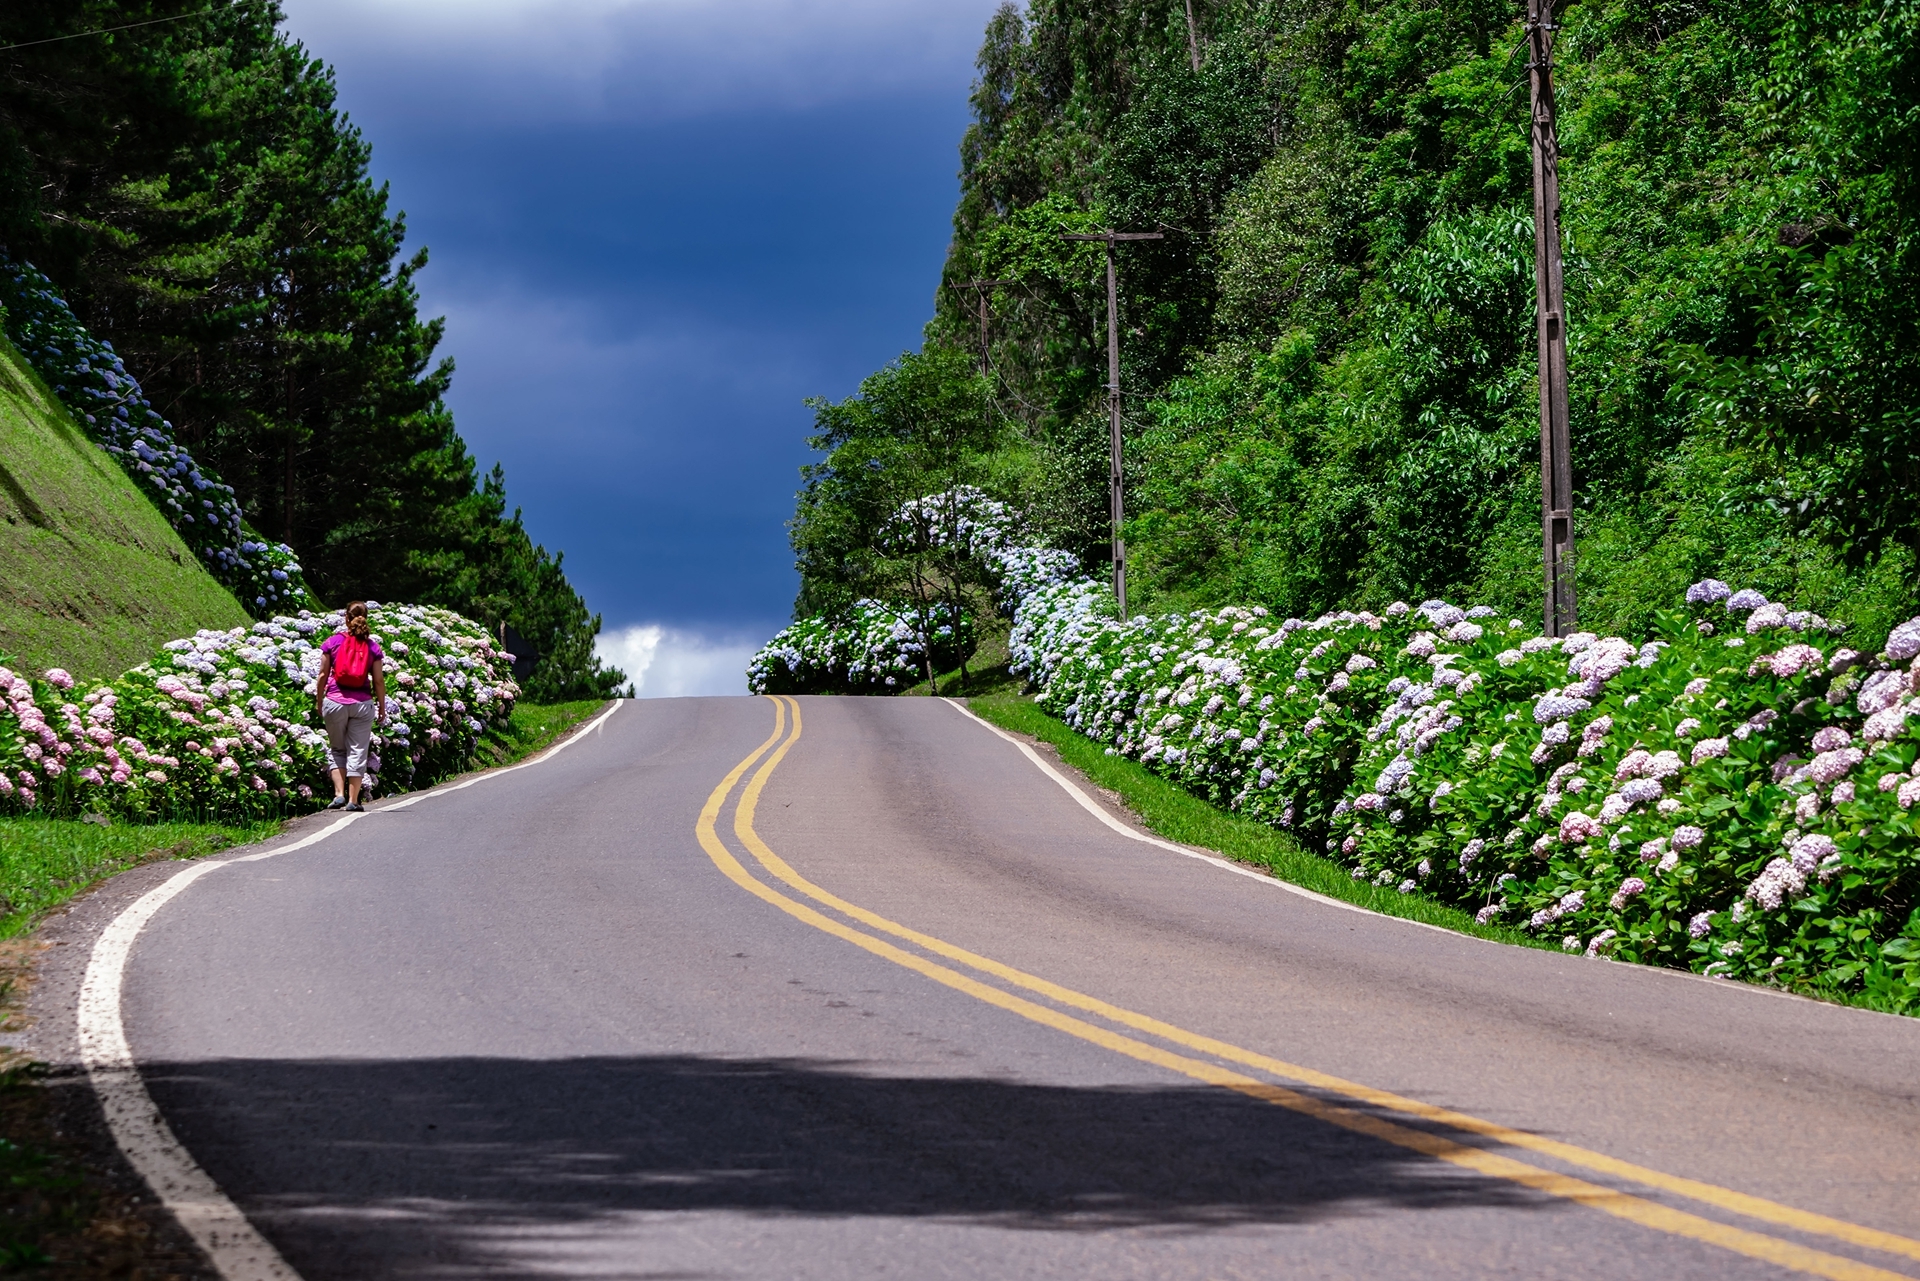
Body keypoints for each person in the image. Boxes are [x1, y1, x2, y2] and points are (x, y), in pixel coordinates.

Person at [313, 601, 386, 811]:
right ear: (366, 618)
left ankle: (338, 795)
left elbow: (322, 675)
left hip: (334, 702)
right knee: (357, 750)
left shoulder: (333, 642)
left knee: (337, 748)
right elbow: (379, 680)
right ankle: (354, 800)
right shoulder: (372, 647)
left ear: (346, 618)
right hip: (362, 704)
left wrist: (319, 700)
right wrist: (382, 706)